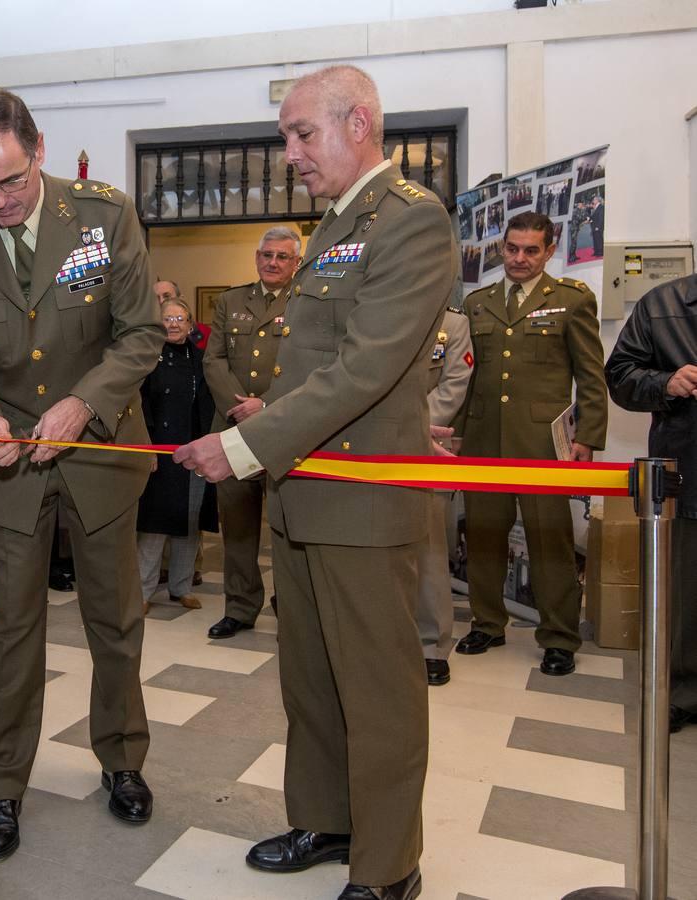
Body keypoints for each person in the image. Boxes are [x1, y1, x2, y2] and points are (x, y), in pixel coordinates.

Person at [174, 65, 452, 900]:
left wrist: (248, 443)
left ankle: (388, 862)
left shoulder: (411, 218)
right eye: (286, 136)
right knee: (312, 678)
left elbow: (369, 364)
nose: (289, 152)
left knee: (377, 690)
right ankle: (328, 820)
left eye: (303, 134)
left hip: (362, 502)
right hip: (307, 487)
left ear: (358, 122)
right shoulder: (334, 222)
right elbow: (326, 362)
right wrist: (273, 417)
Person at [0, 88, 163, 861]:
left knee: (115, 621)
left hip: (99, 450)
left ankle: (122, 760)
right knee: (11, 630)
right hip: (9, 465)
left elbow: (140, 334)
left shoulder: (103, 214)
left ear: (39, 150)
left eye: (11, 181)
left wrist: (82, 405)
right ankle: (1, 786)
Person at [455, 211, 607, 676]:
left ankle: (559, 636)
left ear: (549, 251)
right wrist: (455, 433)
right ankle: (487, 622)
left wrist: (588, 436)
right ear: (502, 248)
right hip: (482, 440)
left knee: (549, 542)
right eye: (512, 249)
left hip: (543, 445)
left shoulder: (570, 300)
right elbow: (465, 376)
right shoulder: (478, 303)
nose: (519, 259)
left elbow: (590, 374)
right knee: (482, 536)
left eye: (531, 250)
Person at [603, 272, 697, 732]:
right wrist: (667, 383)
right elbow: (620, 377)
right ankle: (682, 693)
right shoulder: (663, 304)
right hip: (687, 476)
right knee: (683, 596)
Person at [200, 226, 300, 639]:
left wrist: (267, 406)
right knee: (237, 524)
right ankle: (240, 606)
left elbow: (309, 366)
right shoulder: (230, 300)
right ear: (256, 257)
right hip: (233, 428)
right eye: (266, 255)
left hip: (288, 429)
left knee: (287, 527)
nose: (273, 263)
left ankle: (292, 608)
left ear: (296, 263)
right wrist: (238, 408)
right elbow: (214, 361)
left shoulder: (307, 301)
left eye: (282, 257)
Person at [135, 297, 216, 614]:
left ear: (191, 324)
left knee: (190, 521)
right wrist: (147, 447)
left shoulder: (200, 359)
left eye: (180, 318)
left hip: (193, 449)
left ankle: (180, 587)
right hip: (160, 449)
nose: (173, 324)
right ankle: (142, 592)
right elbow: (139, 408)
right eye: (167, 318)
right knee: (154, 526)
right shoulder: (146, 359)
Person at [417, 307, 473, 686]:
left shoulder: (453, 324)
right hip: (369, 450)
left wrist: (405, 426)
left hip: (426, 445)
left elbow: (454, 384)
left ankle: (431, 646)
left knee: (429, 551)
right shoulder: (374, 309)